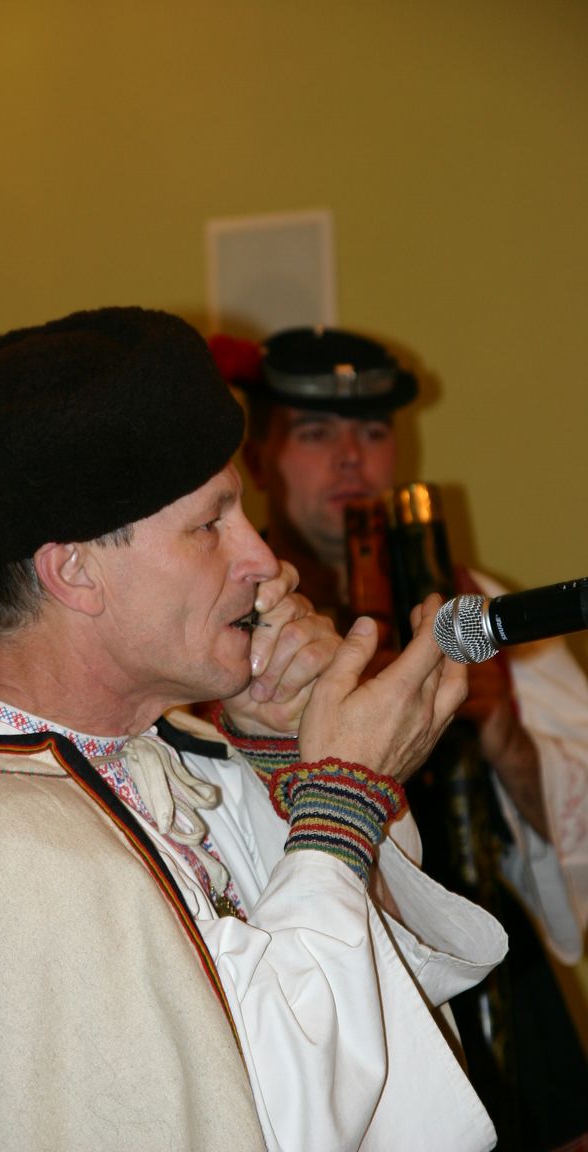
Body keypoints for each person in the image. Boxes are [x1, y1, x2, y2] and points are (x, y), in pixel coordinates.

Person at [0, 307, 508, 1152]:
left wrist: (285, 761)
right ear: (75, 570)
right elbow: (270, 1118)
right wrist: (343, 801)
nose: (264, 561)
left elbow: (364, 1015)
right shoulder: (1, 850)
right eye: (211, 525)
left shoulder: (161, 761)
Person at [211, 324, 588, 1152]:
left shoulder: (468, 600)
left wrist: (507, 735)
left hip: (497, 971)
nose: (352, 458)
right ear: (262, 460)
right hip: (320, 983)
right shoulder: (218, 632)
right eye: (317, 434)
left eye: (374, 433)